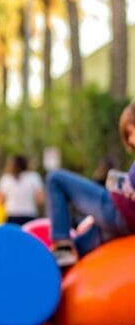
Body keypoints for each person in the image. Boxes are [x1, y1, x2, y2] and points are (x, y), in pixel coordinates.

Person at [46, 103, 135, 266]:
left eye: (131, 131)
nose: (130, 139)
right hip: (123, 225)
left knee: (55, 179)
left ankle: (62, 244)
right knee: (74, 254)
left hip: (113, 210)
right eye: (127, 134)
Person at [0, 154, 44, 226]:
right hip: (30, 215)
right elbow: (40, 200)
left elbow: (0, 201)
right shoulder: (34, 177)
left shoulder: (6, 179)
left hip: (11, 215)